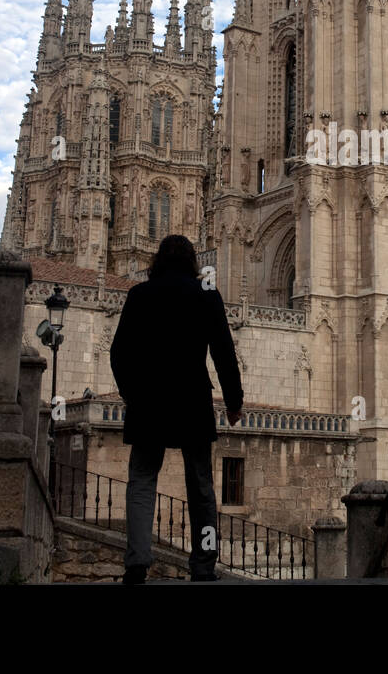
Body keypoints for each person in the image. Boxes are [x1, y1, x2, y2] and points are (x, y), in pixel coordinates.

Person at [109, 234, 243, 584]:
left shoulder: (139, 295)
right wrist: (234, 402)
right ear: (191, 262)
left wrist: (129, 394)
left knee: (141, 480)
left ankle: (136, 563)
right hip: (191, 400)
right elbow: (224, 354)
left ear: (157, 260)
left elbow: (118, 353)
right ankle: (203, 564)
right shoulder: (206, 297)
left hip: (148, 402)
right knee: (201, 486)